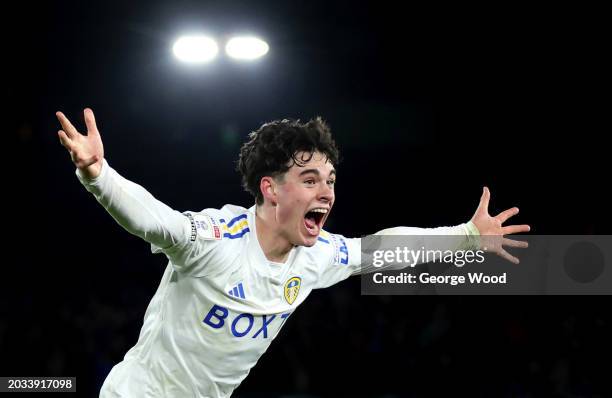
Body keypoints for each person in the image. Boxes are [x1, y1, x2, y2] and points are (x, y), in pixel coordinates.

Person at [56, 108, 530, 397]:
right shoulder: (217, 237)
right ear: (272, 189)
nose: (326, 192)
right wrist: (99, 174)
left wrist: (466, 235)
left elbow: (378, 249)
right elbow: (154, 220)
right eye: (310, 180)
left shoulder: (317, 254)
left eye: (330, 181)